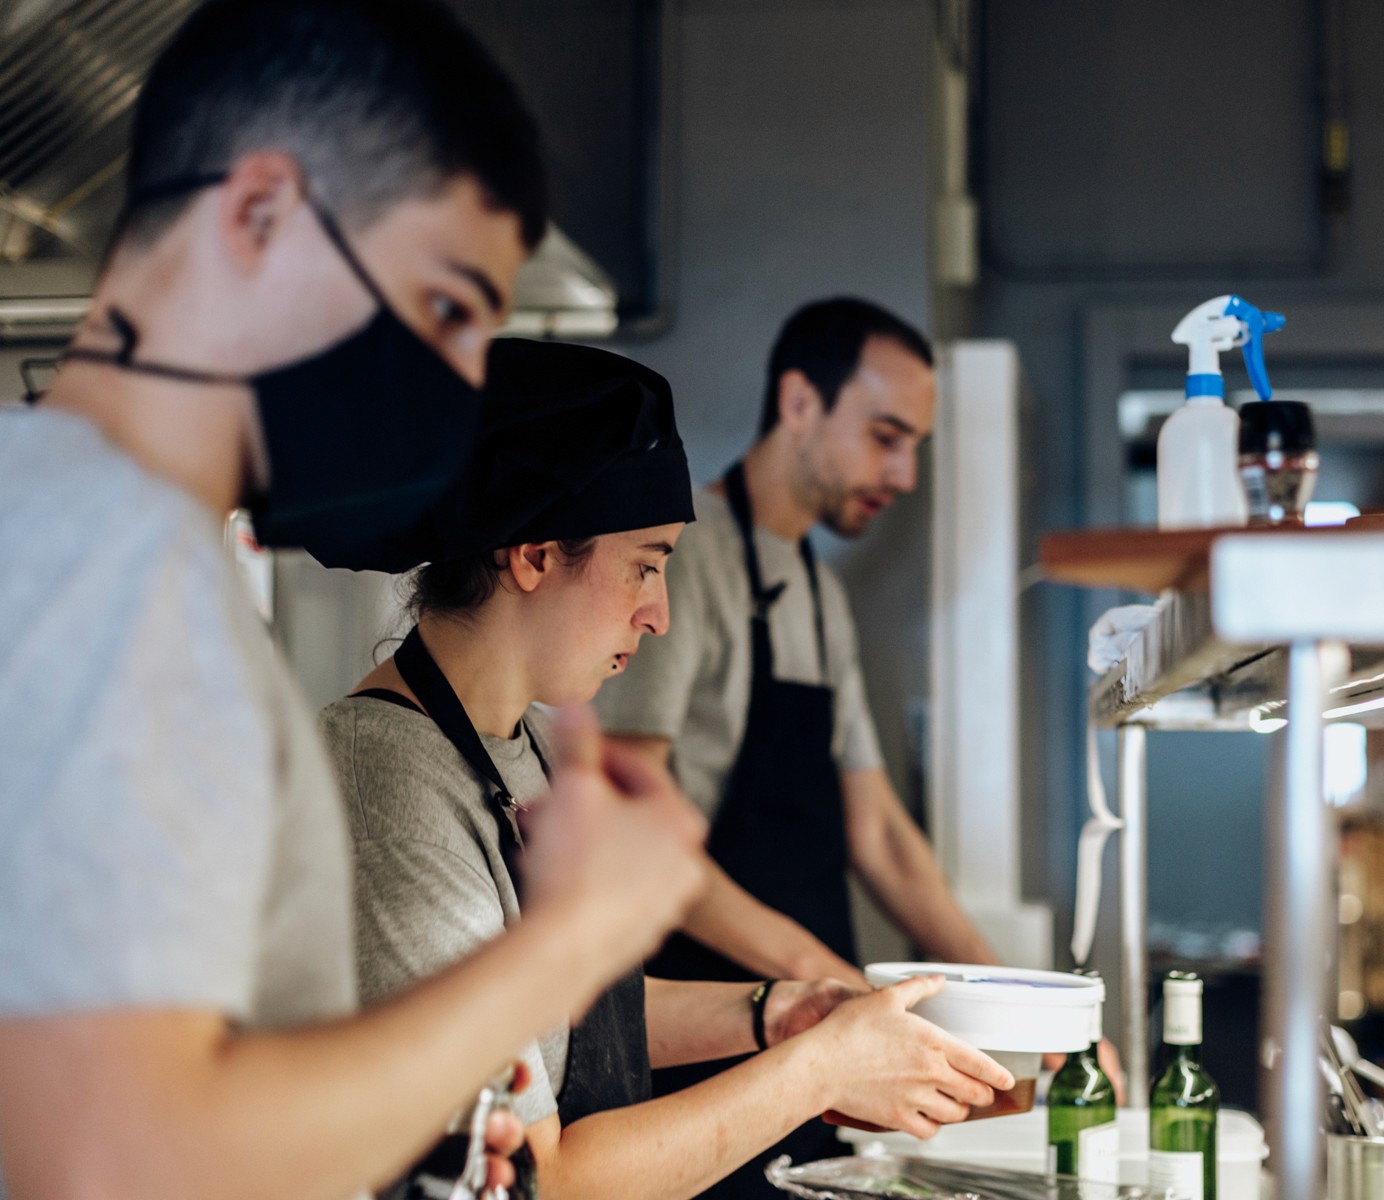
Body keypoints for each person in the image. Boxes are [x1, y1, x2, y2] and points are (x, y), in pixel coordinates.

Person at [0, 5, 704, 1200]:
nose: (448, 402)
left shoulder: (99, 542)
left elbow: (187, 1078)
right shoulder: (109, 570)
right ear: (262, 215)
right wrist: (572, 940)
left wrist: (416, 1130)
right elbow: (112, 1156)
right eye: (439, 310)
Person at [323, 337, 1013, 1200]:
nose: (659, 615)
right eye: (643, 567)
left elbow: (570, 1031)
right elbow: (545, 1179)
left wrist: (772, 1013)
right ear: (534, 554)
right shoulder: (388, 783)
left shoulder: (527, 743)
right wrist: (822, 1071)